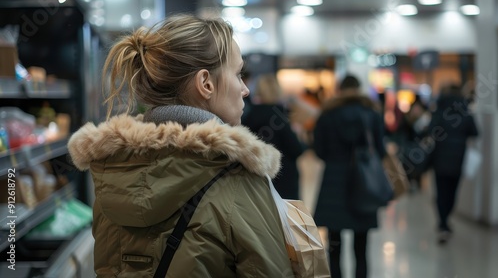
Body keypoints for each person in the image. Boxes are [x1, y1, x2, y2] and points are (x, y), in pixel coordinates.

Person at [67, 14, 294, 277]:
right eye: (238, 73)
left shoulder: (113, 172)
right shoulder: (239, 180)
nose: (244, 89)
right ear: (206, 83)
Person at [313, 74, 386, 278]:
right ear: (359, 88)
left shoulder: (327, 114)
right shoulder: (371, 113)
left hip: (334, 183)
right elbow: (380, 150)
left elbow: (319, 150)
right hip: (364, 185)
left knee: (334, 246)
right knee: (361, 248)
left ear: (340, 89)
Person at [428, 84, 479, 244]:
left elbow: (430, 131)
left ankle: (443, 222)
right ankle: (446, 219)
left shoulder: (439, 113)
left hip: (439, 158)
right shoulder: (465, 113)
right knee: (452, 191)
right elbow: (475, 132)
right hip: (458, 158)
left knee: (441, 191)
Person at [242, 73, 306, 200]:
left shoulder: (248, 117)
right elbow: (296, 149)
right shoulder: (279, 117)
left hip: (257, 178)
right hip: (284, 178)